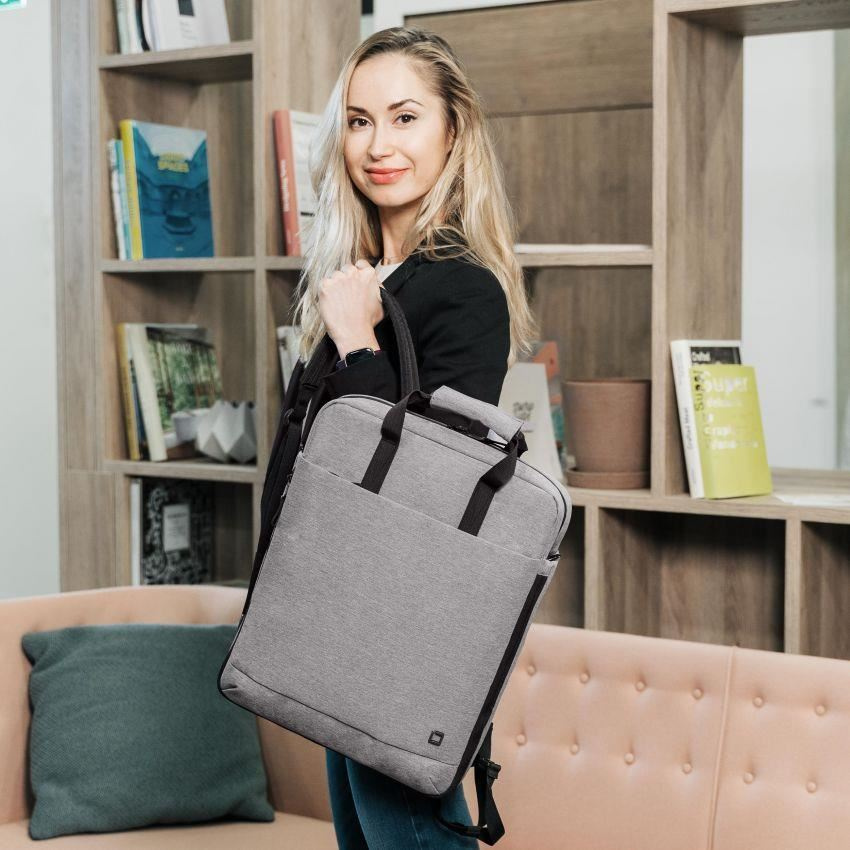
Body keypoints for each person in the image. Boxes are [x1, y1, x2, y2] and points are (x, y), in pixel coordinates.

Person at [288, 25, 539, 849]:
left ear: (452, 132)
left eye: (404, 118)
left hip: (399, 623)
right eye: (359, 122)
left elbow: (434, 478)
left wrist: (358, 344)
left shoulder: (464, 290)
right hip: (341, 608)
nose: (377, 145)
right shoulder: (362, 280)